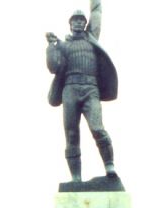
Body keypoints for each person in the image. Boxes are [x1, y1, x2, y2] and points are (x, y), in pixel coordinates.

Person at [46, 0, 118, 181]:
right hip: (70, 90)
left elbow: (97, 11)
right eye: (75, 20)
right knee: (71, 134)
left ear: (85, 24)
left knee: (97, 128)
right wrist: (51, 47)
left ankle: (110, 166)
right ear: (70, 24)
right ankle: (76, 178)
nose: (78, 22)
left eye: (81, 20)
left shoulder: (91, 37)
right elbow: (53, 67)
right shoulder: (63, 45)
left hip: (90, 90)